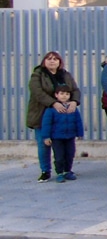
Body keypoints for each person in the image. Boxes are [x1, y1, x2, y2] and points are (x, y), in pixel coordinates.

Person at [27, 51, 82, 183]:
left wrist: (74, 101)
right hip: (41, 113)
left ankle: (65, 170)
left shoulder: (65, 74)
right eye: (49, 59)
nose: (52, 61)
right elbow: (37, 92)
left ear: (60, 62)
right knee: (43, 143)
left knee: (66, 147)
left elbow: (75, 90)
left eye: (55, 59)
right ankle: (45, 171)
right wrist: (54, 103)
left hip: (62, 117)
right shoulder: (38, 74)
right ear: (44, 61)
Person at [40, 86, 85, 182]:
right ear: (56, 95)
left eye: (67, 94)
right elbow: (46, 124)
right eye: (62, 94)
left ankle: (67, 171)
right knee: (59, 156)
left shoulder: (73, 108)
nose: (64, 96)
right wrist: (46, 137)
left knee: (70, 154)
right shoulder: (51, 109)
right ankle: (59, 173)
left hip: (70, 136)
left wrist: (79, 133)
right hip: (57, 138)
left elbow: (78, 121)